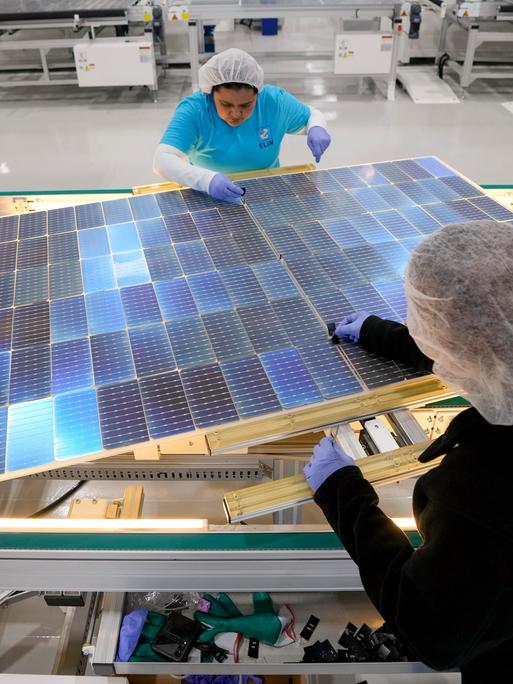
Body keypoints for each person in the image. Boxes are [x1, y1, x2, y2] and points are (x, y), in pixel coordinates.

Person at [304, 220, 513, 683]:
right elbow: (495, 348)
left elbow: (432, 631)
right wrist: (386, 336)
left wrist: (343, 494)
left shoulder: (485, 490)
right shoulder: (502, 347)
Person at [153, 48, 331, 204]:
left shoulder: (274, 102)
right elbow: (162, 160)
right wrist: (207, 180)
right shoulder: (195, 110)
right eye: (226, 104)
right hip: (209, 195)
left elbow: (312, 114)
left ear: (258, 94)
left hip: (268, 191)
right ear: (210, 93)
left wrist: (317, 127)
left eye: (246, 105)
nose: (236, 113)